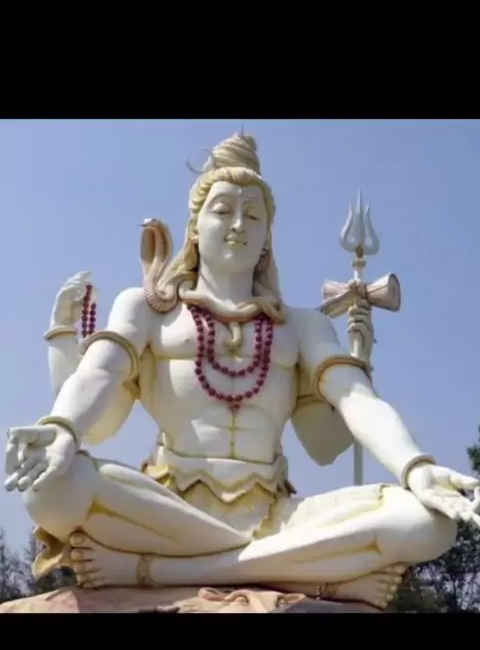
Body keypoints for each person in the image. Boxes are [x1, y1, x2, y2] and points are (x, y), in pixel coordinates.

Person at [4, 131, 479, 609]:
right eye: (222, 210)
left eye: (253, 215)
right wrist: (62, 428)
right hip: (165, 507)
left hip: (272, 515)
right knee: (49, 488)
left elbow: (352, 406)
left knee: (428, 522)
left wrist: (416, 467)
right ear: (194, 227)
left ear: (267, 236)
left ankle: (161, 570)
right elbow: (99, 375)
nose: (237, 225)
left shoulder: (302, 326)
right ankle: (301, 569)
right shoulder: (148, 309)